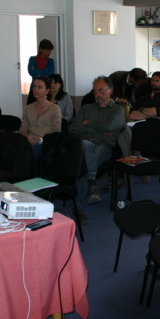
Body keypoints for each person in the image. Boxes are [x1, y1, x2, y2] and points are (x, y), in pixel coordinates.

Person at [70, 76, 125, 223]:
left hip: (104, 147)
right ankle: (92, 184)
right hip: (84, 145)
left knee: (84, 165)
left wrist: (88, 124)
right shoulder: (86, 108)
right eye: (95, 91)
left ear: (110, 91)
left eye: (101, 90)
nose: (97, 94)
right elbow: (74, 128)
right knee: (86, 147)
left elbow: (110, 127)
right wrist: (100, 131)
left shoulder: (118, 110)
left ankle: (78, 208)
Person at [19, 75, 62, 159]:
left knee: (27, 154)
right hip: (29, 141)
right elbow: (22, 130)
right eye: (34, 86)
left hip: (45, 143)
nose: (36, 90)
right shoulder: (28, 108)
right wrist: (28, 136)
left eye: (39, 87)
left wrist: (41, 139)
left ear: (47, 91)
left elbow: (56, 132)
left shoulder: (54, 109)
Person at [27, 39, 55, 105]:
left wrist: (37, 72)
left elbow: (50, 74)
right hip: (33, 88)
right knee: (30, 107)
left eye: (50, 51)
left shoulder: (51, 61)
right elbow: (31, 72)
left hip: (46, 89)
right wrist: (44, 71)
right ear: (41, 49)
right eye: (47, 51)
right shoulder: (32, 59)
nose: (49, 53)